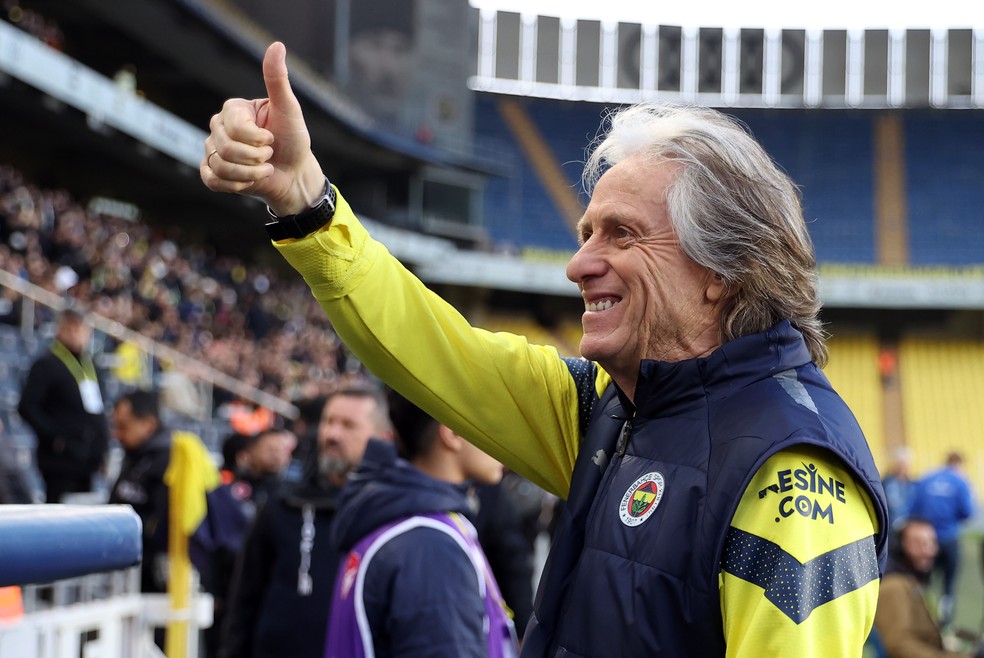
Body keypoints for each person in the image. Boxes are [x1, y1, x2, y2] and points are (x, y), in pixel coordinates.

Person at [202, 42, 889, 656]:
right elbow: (429, 347)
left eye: (621, 233)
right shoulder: (612, 409)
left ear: (722, 273)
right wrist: (304, 201)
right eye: (587, 232)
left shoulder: (793, 477)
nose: (579, 264)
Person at [325, 389, 517, 657]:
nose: (508, 438)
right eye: (492, 422)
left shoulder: (403, 518)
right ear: (452, 433)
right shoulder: (431, 546)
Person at [219, 387, 392, 658]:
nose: (332, 434)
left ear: (383, 438)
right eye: (329, 422)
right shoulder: (282, 507)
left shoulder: (395, 517)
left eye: (348, 425)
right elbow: (244, 604)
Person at [18, 306, 109, 503]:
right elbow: (27, 406)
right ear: (60, 329)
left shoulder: (91, 365)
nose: (78, 334)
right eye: (72, 328)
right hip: (60, 462)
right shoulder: (46, 364)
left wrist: (103, 448)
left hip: (89, 459)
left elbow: (99, 409)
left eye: (82, 329)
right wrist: (57, 438)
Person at [874, 517, 984, 658]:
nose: (928, 551)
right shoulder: (893, 587)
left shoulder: (913, 582)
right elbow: (899, 646)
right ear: (900, 546)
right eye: (918, 544)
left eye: (931, 543)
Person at [908, 452, 976, 627]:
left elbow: (914, 509)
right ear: (959, 464)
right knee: (948, 584)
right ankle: (944, 623)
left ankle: (920, 619)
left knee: (922, 582)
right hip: (949, 540)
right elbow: (968, 513)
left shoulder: (926, 479)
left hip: (926, 541)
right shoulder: (960, 482)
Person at [883, 446, 915, 534]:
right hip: (892, 530)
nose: (905, 468)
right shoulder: (887, 483)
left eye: (907, 464)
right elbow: (894, 506)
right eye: (902, 464)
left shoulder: (912, 484)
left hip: (909, 530)